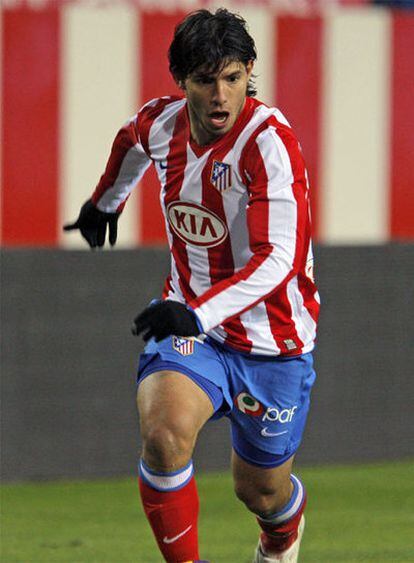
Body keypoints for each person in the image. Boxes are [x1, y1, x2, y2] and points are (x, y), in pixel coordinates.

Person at [64, 8, 320, 562]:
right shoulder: (163, 125)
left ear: (249, 71)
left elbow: (280, 258)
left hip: (271, 341)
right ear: (182, 81)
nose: (221, 95)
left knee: (261, 491)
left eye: (232, 78)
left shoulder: (269, 144)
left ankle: (280, 534)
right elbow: (131, 141)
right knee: (163, 435)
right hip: (191, 325)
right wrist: (104, 202)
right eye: (206, 80)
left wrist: (200, 314)